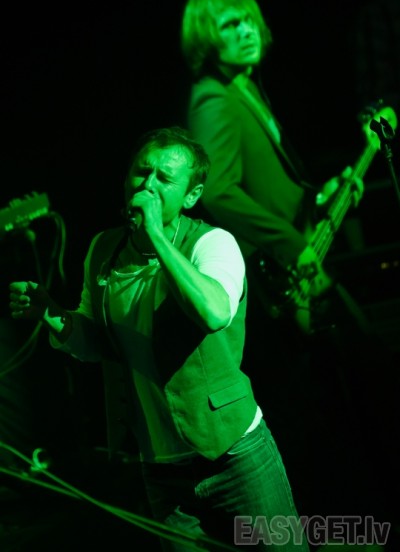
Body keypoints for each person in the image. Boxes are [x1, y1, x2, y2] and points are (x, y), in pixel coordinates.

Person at [9, 126, 310, 551]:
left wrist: (156, 238)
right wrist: (50, 313)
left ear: (191, 195)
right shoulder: (103, 249)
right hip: (161, 470)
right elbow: (96, 343)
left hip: (234, 455)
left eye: (164, 178)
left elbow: (214, 312)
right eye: (141, 171)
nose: (147, 184)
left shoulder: (213, 243)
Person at [180, 0, 400, 522]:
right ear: (207, 39)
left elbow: (267, 189)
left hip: (290, 263)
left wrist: (316, 199)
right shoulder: (213, 98)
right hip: (276, 278)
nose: (246, 31)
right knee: (330, 401)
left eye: (248, 19)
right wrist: (292, 243)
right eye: (230, 25)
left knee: (353, 386)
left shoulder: (245, 89)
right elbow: (216, 189)